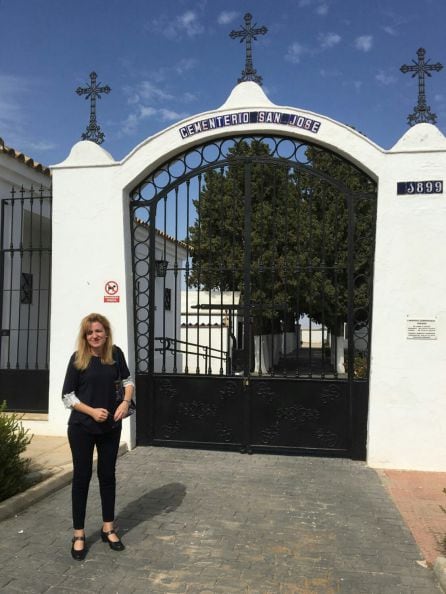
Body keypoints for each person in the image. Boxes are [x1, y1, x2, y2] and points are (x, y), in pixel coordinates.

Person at [62, 313, 134, 561]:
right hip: (82, 427)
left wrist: (125, 403)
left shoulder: (116, 354)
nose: (94, 336)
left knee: (107, 476)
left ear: (106, 332)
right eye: (90, 332)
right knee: (82, 478)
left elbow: (127, 380)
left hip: (110, 428)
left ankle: (108, 528)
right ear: (85, 336)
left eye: (98, 331)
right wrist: (92, 411)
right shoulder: (77, 359)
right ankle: (79, 534)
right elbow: (68, 396)